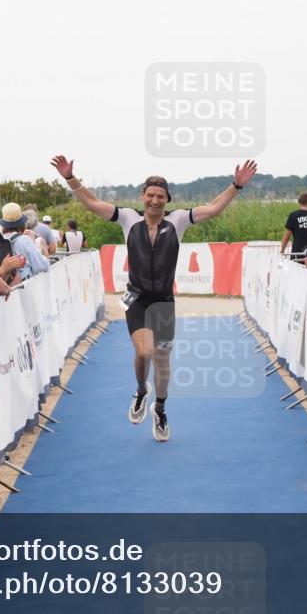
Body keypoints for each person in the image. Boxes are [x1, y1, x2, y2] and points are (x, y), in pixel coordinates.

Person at [52, 154, 258, 442]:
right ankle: (140, 391)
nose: (155, 200)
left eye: (161, 196)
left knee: (162, 360)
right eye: (150, 195)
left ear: (167, 198)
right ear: (143, 196)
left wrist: (236, 186)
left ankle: (159, 409)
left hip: (163, 301)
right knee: (144, 352)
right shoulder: (127, 217)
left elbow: (212, 209)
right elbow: (92, 203)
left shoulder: (179, 219)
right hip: (136, 298)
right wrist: (70, 178)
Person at [0, 203, 51, 280]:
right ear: (21, 222)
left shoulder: (0, 238)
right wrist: (34, 243)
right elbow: (41, 266)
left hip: (6, 284)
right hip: (24, 286)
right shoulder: (24, 240)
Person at [280, 193, 307, 261]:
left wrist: (282, 251)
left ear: (298, 202)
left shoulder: (293, 215)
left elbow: (286, 238)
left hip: (297, 255)